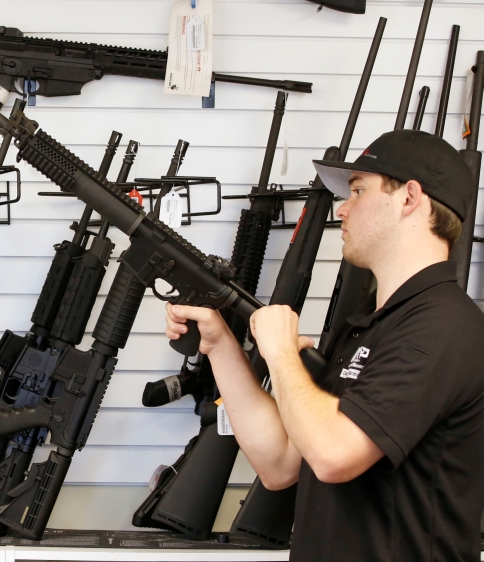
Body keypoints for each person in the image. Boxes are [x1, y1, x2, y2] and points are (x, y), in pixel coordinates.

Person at [165, 129, 484, 561]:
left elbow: (334, 454)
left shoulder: (442, 326)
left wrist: (279, 352)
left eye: (357, 191)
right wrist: (221, 344)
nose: (344, 209)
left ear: (409, 198)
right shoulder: (370, 325)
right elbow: (280, 463)